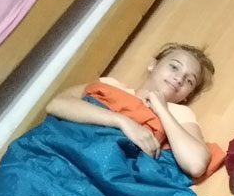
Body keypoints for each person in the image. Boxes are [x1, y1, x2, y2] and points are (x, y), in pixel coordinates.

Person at [46, 43, 215, 178]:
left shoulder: (178, 112)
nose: (179, 79)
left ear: (186, 96)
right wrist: (122, 122)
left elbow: (196, 164)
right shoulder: (110, 85)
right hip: (61, 153)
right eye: (174, 67)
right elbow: (57, 104)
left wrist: (162, 110)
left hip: (108, 172)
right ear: (153, 65)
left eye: (189, 81)